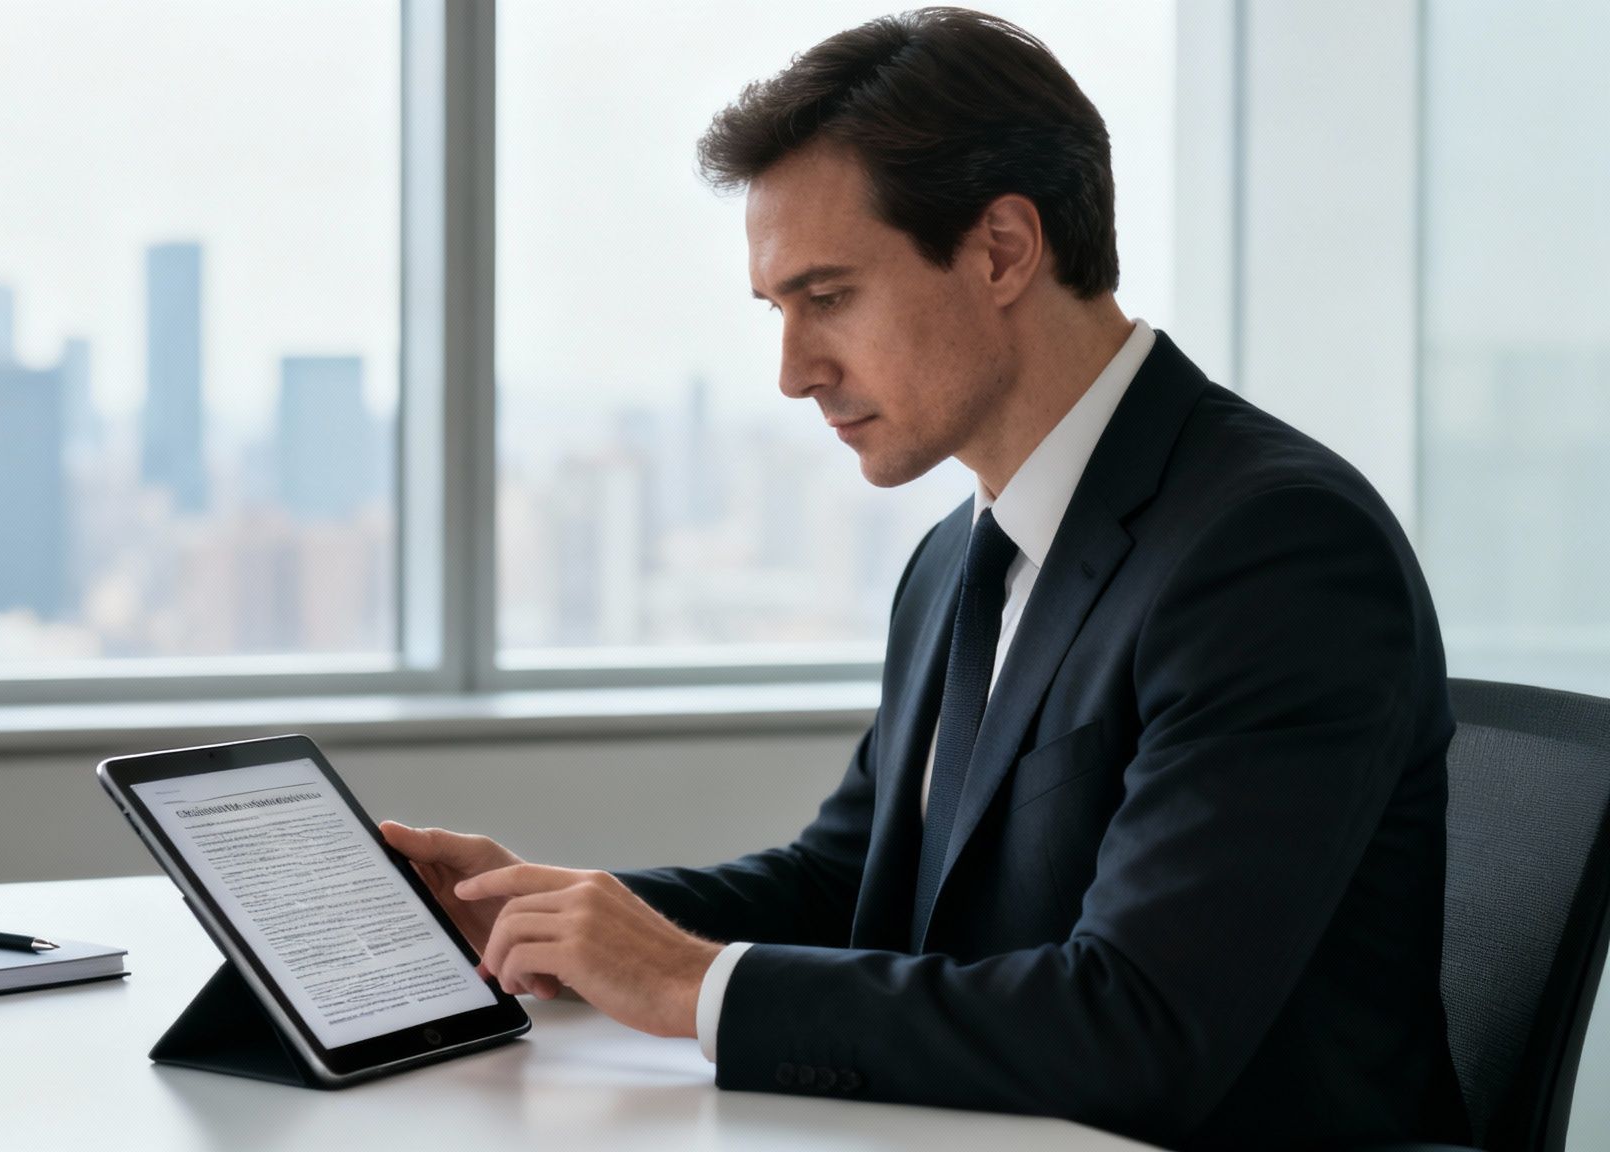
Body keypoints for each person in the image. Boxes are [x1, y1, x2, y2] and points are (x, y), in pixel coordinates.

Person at [380, 8, 1470, 1148]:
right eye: (778, 310)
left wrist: (688, 983)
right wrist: (552, 921)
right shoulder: (959, 554)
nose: (793, 371)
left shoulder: (1273, 549)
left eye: (827, 297)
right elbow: (850, 882)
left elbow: (1139, 1028)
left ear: (1001, 249)